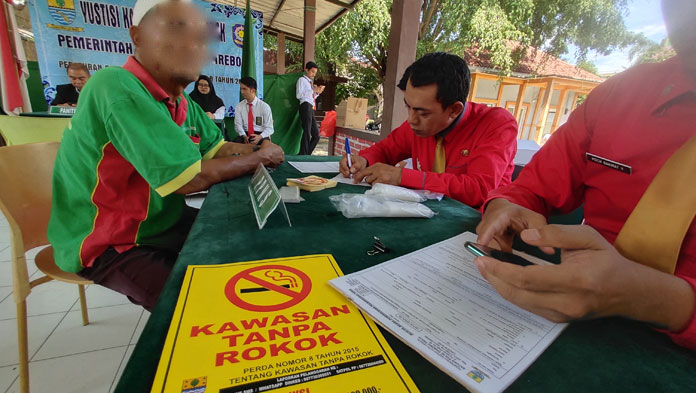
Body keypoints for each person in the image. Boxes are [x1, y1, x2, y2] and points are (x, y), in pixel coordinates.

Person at [475, 0, 696, 350]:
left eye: (421, 111)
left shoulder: (496, 122)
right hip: (569, 319)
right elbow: (530, 189)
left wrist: (655, 298)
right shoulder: (618, 96)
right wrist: (503, 206)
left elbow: (474, 183)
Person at [47, 0, 284, 311]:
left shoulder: (181, 103)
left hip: (160, 223)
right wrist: (261, 157)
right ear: (138, 36)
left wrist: (259, 147)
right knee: (200, 308)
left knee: (242, 245)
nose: (190, 45)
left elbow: (220, 149)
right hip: (109, 239)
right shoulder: (115, 85)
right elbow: (191, 178)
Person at [339, 52, 518, 209]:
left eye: (422, 112)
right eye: (408, 107)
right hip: (423, 214)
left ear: (454, 110)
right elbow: (386, 149)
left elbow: (478, 189)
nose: (411, 119)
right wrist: (364, 160)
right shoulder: (419, 126)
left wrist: (402, 177)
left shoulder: (496, 124)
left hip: (475, 229)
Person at [234, 76, 274, 145]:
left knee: (266, 148)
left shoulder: (264, 107)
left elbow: (270, 128)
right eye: (241, 89)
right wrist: (244, 136)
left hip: (261, 135)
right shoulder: (239, 106)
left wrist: (260, 137)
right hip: (245, 134)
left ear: (253, 90)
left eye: (244, 89)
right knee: (233, 147)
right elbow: (238, 125)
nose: (242, 92)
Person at [296, 61, 324, 155]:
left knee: (316, 134)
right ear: (306, 70)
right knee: (307, 131)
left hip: (310, 107)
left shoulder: (310, 83)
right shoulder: (302, 80)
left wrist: (317, 92)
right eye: (312, 72)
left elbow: (310, 97)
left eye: (315, 73)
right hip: (305, 106)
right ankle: (303, 154)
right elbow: (299, 95)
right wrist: (312, 90)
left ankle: (306, 154)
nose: (313, 74)